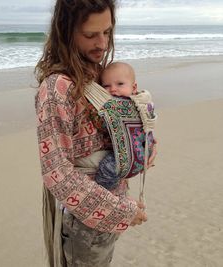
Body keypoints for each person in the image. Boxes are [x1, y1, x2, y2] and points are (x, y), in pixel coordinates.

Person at [34, 1, 157, 266]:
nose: (102, 43)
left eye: (107, 32)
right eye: (90, 35)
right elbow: (58, 174)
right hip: (86, 219)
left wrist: (145, 147)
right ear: (66, 32)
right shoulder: (57, 89)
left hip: (108, 210)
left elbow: (129, 122)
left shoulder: (99, 75)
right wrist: (122, 212)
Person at [76, 61, 157, 190]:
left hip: (129, 155)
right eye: (106, 86)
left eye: (120, 84)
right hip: (141, 151)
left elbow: (148, 123)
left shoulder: (125, 105)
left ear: (134, 88)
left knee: (107, 169)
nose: (113, 89)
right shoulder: (142, 101)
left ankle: (105, 191)